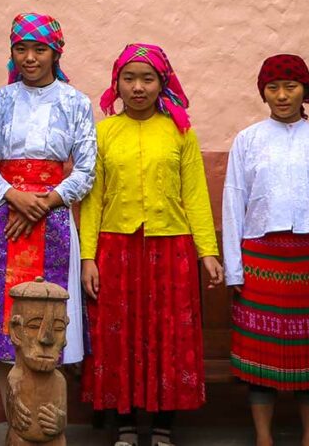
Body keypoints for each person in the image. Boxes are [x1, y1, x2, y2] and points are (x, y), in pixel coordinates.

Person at [80, 43, 223, 446]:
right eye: (129, 78)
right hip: (116, 248)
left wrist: (206, 251)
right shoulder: (102, 132)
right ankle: (124, 425)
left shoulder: (180, 132)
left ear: (162, 83)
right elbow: (92, 198)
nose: (138, 87)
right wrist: (88, 256)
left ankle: (163, 427)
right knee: (119, 335)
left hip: (171, 249)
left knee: (168, 337)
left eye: (147, 78)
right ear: (117, 83)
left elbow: (194, 194)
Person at [0, 13, 95, 413]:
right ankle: (15, 423)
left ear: (56, 52)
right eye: (21, 49)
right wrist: (13, 197)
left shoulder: (76, 102)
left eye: (40, 49)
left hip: (54, 222)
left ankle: (43, 424)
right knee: (4, 329)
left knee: (48, 326)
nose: (30, 58)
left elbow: (87, 169)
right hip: (4, 220)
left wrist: (43, 202)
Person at [222, 54, 309, 446]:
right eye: (273, 87)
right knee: (262, 357)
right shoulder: (248, 140)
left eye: (290, 87)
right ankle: (264, 438)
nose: (281, 95)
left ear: (305, 91)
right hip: (260, 259)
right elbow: (233, 202)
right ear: (263, 91)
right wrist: (234, 268)